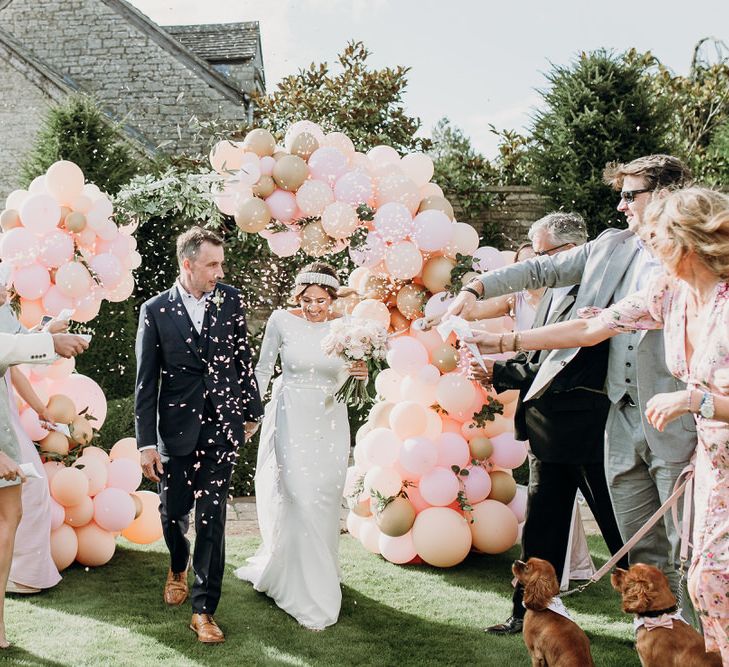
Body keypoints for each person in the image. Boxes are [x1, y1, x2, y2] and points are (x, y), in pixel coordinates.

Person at [468, 187, 729, 661]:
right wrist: (500, 340)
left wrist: (697, 400)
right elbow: (592, 328)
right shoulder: (668, 293)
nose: (646, 254)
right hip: (711, 465)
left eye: (656, 243)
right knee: (705, 577)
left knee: (715, 578)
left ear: (685, 244)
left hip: (712, 449)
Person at [447, 155, 696, 602]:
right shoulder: (611, 246)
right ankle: (661, 638)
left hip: (679, 419)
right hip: (620, 420)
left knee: (690, 550)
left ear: (663, 195)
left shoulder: (691, 263)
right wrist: (476, 288)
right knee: (640, 550)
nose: (620, 206)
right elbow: (540, 270)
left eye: (628, 195)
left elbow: (589, 328)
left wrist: (503, 344)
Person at [471, 213, 627, 635]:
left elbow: (569, 364)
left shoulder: (602, 295)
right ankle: (530, 614)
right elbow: (538, 360)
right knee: (542, 532)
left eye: (542, 254)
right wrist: (497, 371)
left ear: (570, 252)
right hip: (546, 430)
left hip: (586, 430)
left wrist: (501, 372)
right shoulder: (553, 297)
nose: (537, 264)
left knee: (620, 531)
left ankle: (654, 618)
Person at [135, 226, 263, 644]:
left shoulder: (230, 300)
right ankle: (177, 563)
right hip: (174, 430)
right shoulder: (155, 310)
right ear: (187, 264)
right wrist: (146, 442)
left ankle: (204, 609)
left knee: (212, 520)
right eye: (212, 264)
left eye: (220, 263)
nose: (219, 271)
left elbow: (242, 358)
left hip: (221, 427)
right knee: (173, 514)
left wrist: (251, 411)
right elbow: (146, 381)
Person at [235, 262, 368, 631]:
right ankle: (299, 586)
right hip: (290, 415)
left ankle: (319, 576)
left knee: (323, 499)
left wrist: (360, 373)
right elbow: (263, 369)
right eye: (307, 300)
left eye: (321, 300)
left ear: (332, 298)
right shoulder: (280, 320)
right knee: (297, 495)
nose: (313, 308)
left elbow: (348, 378)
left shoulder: (347, 329)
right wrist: (251, 412)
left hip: (329, 420)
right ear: (298, 296)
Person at [0, 329, 87, 649]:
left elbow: (10, 351)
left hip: (3, 433)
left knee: (11, 517)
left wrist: (49, 338)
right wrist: (52, 343)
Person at [0, 284, 61, 595]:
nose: (4, 293)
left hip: (7, 415)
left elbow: (16, 368)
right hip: (2, 420)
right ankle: (18, 574)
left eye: (5, 287)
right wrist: (51, 339)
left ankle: (23, 572)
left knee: (29, 491)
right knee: (30, 488)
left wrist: (40, 409)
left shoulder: (4, 313)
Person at [462, 242, 543, 331]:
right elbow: (471, 312)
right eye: (519, 264)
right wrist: (468, 293)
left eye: (530, 263)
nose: (522, 269)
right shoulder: (515, 298)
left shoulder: (558, 296)